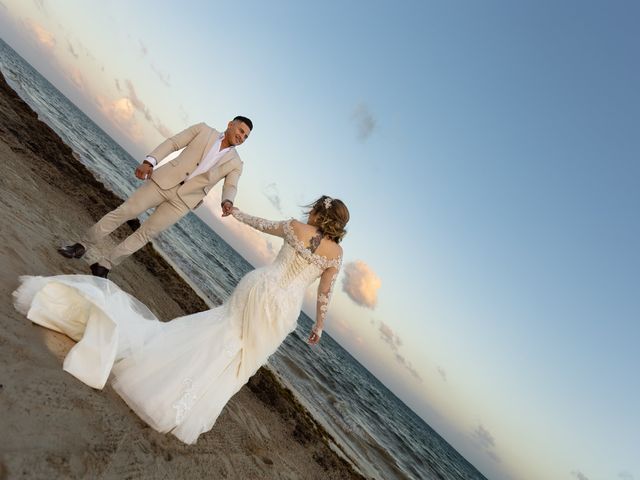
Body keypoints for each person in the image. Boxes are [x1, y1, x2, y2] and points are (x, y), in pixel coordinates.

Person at [13, 195, 349, 444]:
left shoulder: (293, 226)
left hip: (259, 288)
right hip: (284, 310)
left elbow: (259, 224)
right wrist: (318, 325)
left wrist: (236, 213)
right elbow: (324, 295)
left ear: (319, 211)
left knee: (221, 331)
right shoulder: (337, 255)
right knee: (240, 360)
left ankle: (171, 382)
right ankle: (186, 405)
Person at [57, 117, 253, 278]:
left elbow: (231, 185)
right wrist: (149, 162)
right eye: (241, 130)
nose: (242, 137)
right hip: (162, 181)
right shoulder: (203, 129)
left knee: (145, 234)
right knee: (124, 212)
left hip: (183, 202)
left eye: (245, 136)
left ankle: (104, 265)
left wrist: (227, 201)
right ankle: (82, 245)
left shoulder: (236, 163)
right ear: (230, 124)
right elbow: (173, 143)